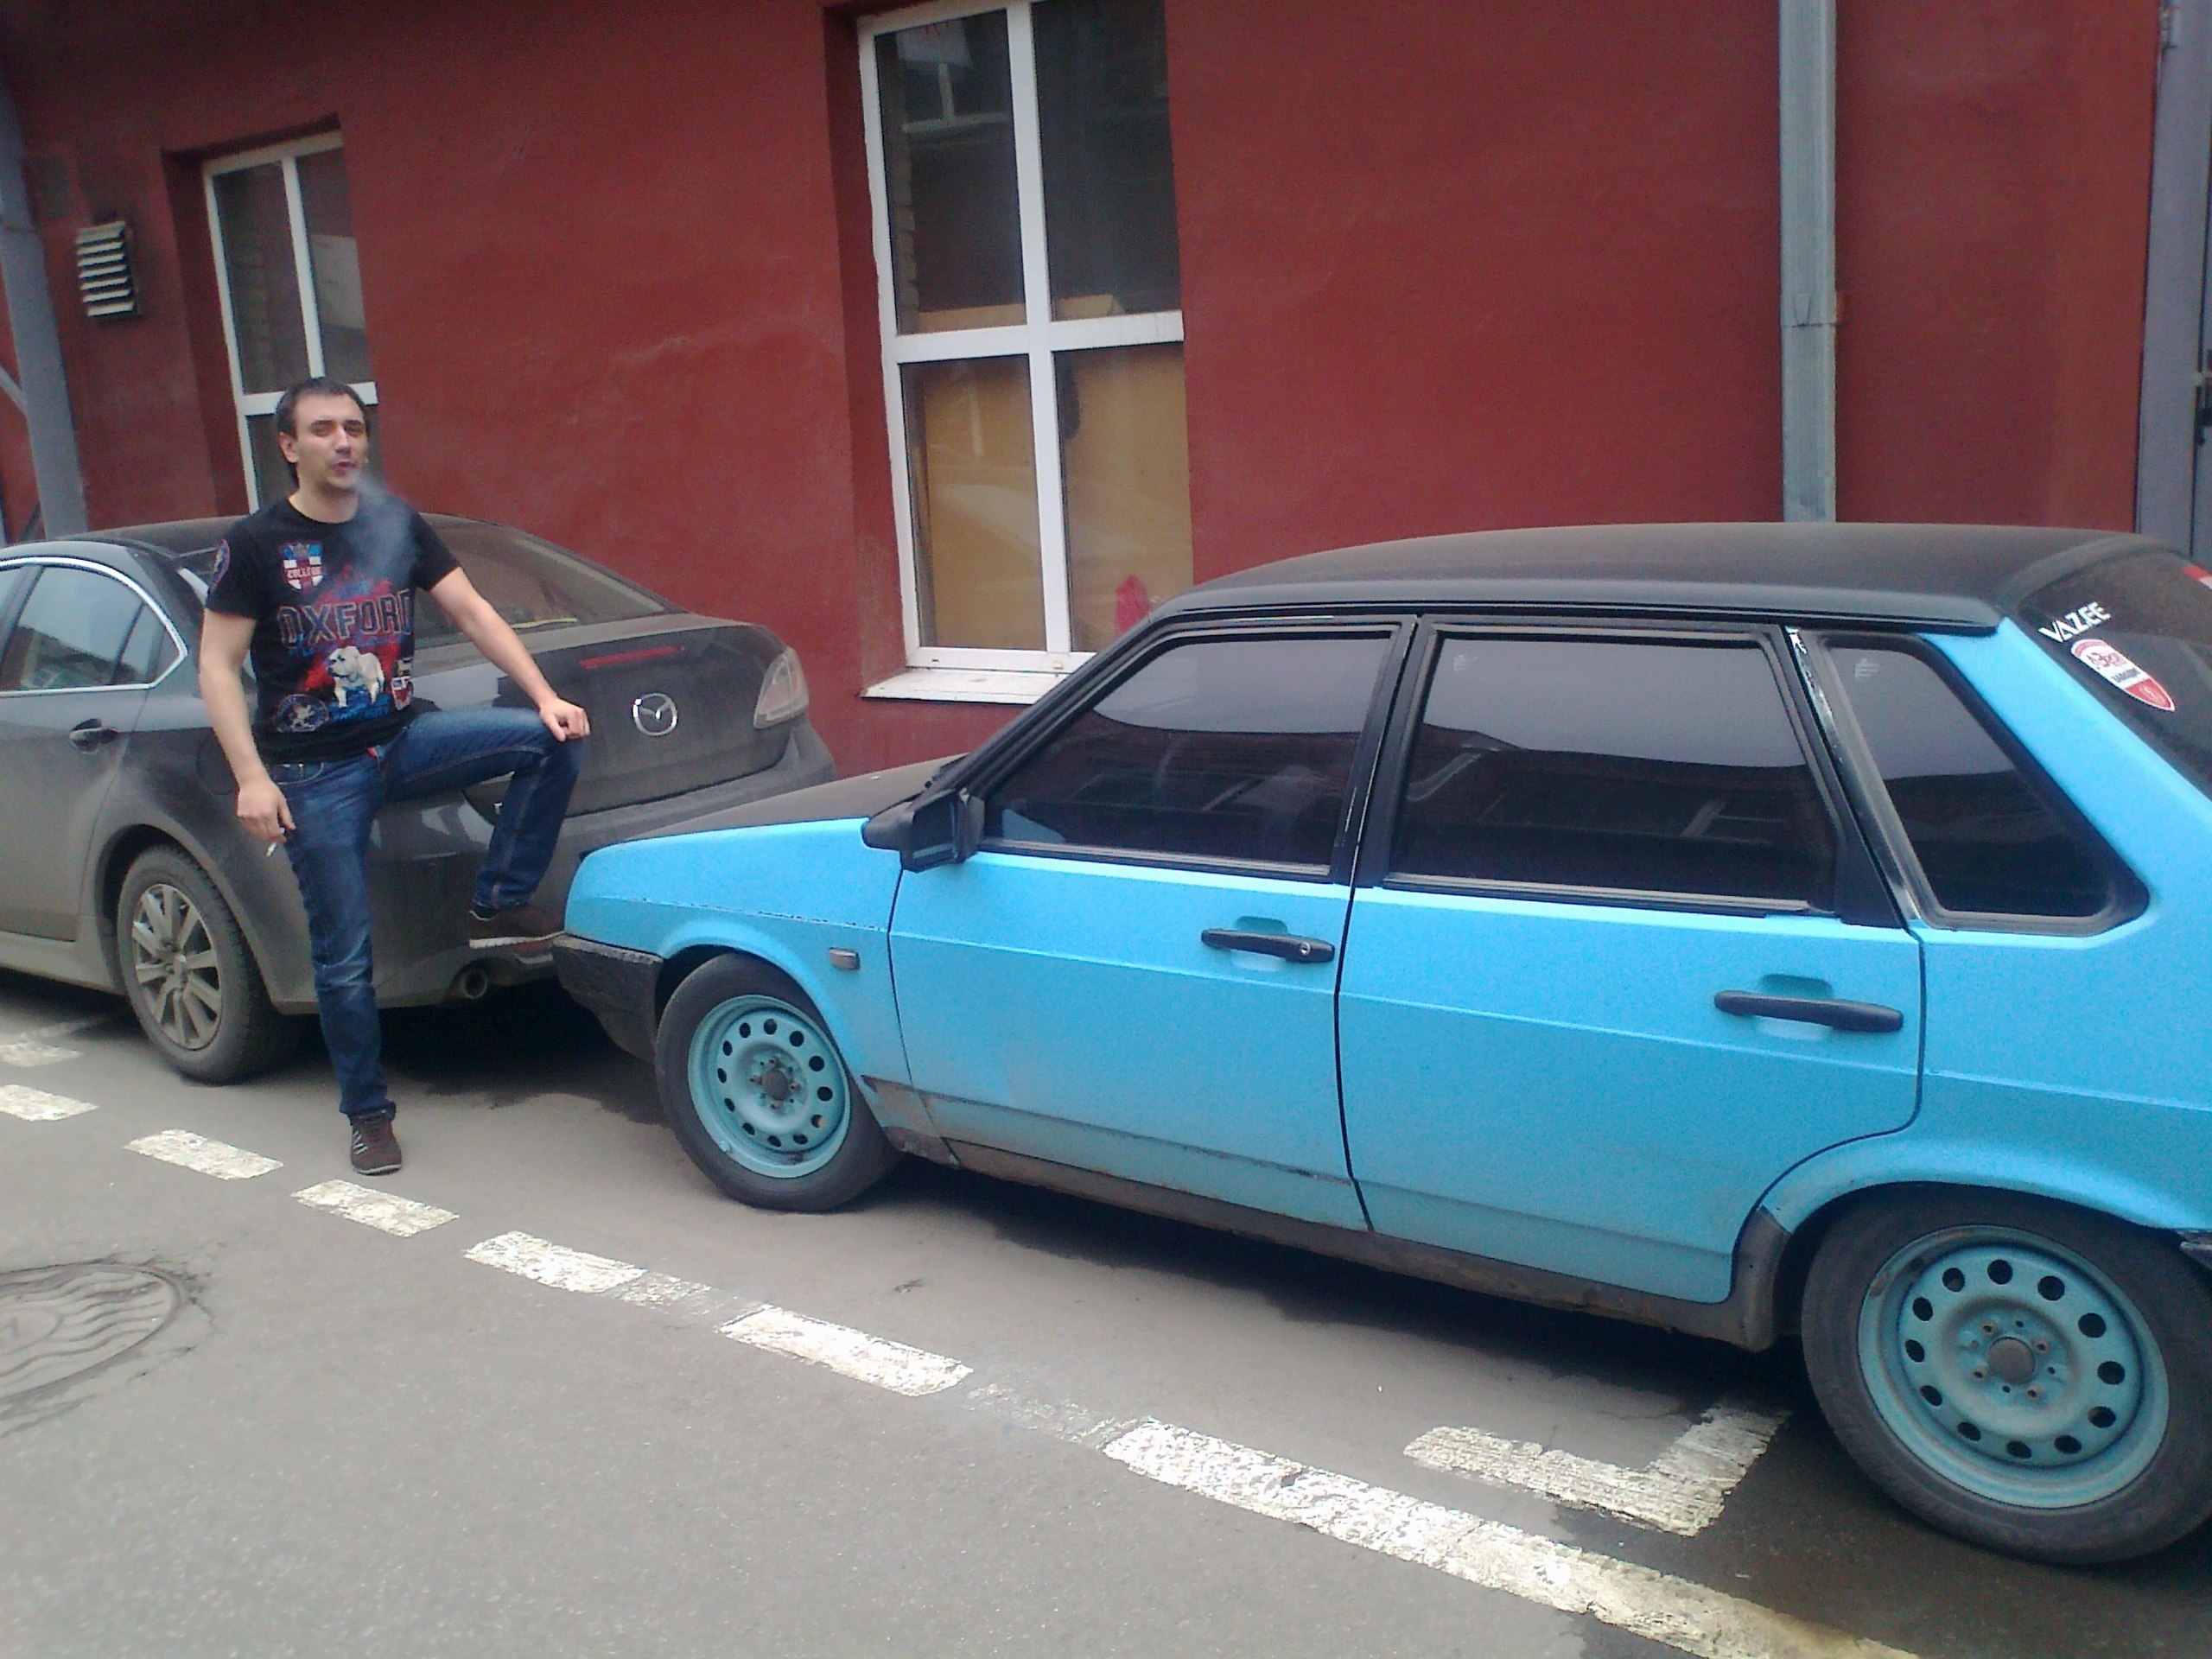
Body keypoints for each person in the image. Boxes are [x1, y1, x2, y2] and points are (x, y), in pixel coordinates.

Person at [199, 377, 591, 1177]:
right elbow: (217, 665)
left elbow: (472, 610)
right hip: (313, 773)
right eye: (323, 429)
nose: (344, 442)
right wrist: (252, 778)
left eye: (354, 427)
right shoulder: (259, 543)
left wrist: (545, 695)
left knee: (547, 742)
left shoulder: (395, 523)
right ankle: (368, 1114)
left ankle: (499, 897)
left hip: (402, 742)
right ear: (289, 446)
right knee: (345, 956)